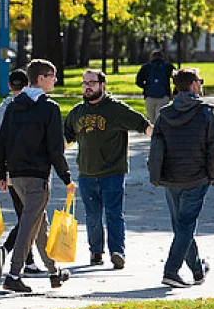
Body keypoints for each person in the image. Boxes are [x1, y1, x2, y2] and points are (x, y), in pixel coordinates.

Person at [0, 59, 75, 294]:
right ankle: (13, 274)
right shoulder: (49, 108)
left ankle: (53, 271)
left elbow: (2, 142)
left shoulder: (13, 105)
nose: (55, 80)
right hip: (37, 175)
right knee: (28, 226)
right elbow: (55, 148)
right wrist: (66, 176)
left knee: (38, 223)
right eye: (52, 76)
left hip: (16, 175)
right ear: (40, 78)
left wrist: (1, 172)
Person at [64, 69, 152, 269]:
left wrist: (162, 140)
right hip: (86, 173)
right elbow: (66, 137)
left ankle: (117, 252)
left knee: (113, 213)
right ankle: (96, 252)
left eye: (92, 82)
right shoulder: (78, 112)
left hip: (112, 172)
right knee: (92, 216)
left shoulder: (116, 109)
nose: (87, 86)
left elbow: (143, 125)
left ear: (102, 85)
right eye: (85, 82)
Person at [149, 67, 214, 288]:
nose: (201, 84)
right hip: (196, 177)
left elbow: (156, 146)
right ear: (193, 85)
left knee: (181, 226)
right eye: (200, 81)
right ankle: (171, 271)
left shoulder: (165, 113)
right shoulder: (206, 113)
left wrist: (156, 174)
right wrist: (211, 174)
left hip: (171, 178)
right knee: (186, 226)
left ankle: (198, 271)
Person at [0, 69, 44, 279]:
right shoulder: (29, 108)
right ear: (28, 84)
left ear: (10, 86)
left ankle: (28, 262)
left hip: (8, 173)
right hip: (28, 171)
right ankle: (7, 249)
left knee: (24, 215)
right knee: (29, 217)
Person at [135, 49, 175, 121]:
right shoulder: (168, 66)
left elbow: (138, 81)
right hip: (164, 96)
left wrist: (146, 87)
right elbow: (177, 78)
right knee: (160, 119)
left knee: (152, 121)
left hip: (149, 97)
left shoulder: (145, 67)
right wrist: (173, 93)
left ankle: (153, 132)